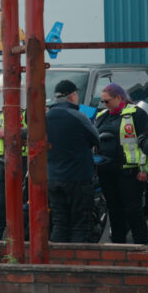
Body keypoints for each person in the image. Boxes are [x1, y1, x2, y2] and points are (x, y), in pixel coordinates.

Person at [93, 83, 148, 245]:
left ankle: (140, 245)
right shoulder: (102, 115)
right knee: (114, 210)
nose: (104, 105)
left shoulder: (136, 114)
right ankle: (118, 247)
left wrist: (144, 169)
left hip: (130, 171)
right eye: (102, 102)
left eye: (107, 101)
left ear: (118, 98)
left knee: (133, 210)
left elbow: (145, 144)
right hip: (106, 171)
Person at [46, 79, 99, 242]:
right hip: (78, 178)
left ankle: (56, 264)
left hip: (53, 178)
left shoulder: (44, 117)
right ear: (72, 96)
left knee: (59, 224)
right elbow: (96, 138)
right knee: (80, 225)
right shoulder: (79, 116)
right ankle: (77, 264)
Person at [0, 103, 28, 240]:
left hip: (24, 158)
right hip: (3, 158)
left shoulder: (29, 108)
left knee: (23, 196)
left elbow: (37, 128)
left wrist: (11, 133)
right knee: (1, 196)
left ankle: (21, 231)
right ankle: (0, 230)